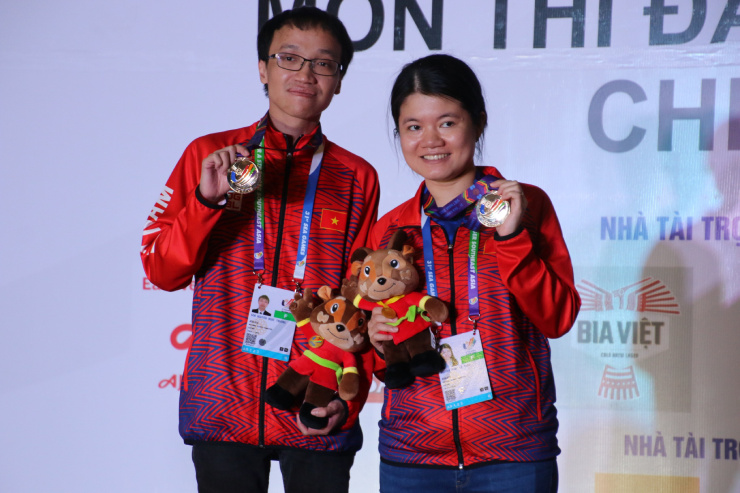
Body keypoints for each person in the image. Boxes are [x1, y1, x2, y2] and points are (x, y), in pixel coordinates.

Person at [140, 7, 379, 493]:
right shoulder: (210, 155)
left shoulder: (356, 176)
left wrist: (347, 401)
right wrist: (208, 202)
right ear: (262, 69)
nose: (305, 74)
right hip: (223, 404)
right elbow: (163, 269)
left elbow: (365, 301)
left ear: (339, 80)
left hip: (315, 402)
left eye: (323, 64)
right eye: (289, 58)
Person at [366, 54, 581, 493]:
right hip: (412, 457)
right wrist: (375, 338)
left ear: (478, 121)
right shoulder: (391, 229)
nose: (430, 140)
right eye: (413, 127)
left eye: (447, 122)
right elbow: (383, 367)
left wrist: (511, 237)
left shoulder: (526, 205)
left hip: (514, 454)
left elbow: (557, 318)